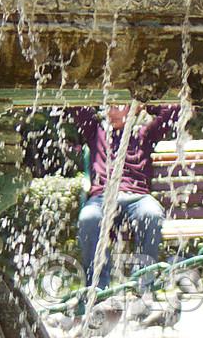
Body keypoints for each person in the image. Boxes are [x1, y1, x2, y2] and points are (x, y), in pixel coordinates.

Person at [73, 104, 179, 291]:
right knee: (89, 218)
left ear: (133, 109)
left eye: (117, 106)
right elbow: (74, 104)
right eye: (109, 106)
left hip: (137, 198)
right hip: (103, 199)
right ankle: (97, 289)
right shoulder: (96, 132)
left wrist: (144, 100)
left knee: (151, 214)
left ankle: (144, 286)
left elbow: (174, 110)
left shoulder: (145, 135)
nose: (111, 112)